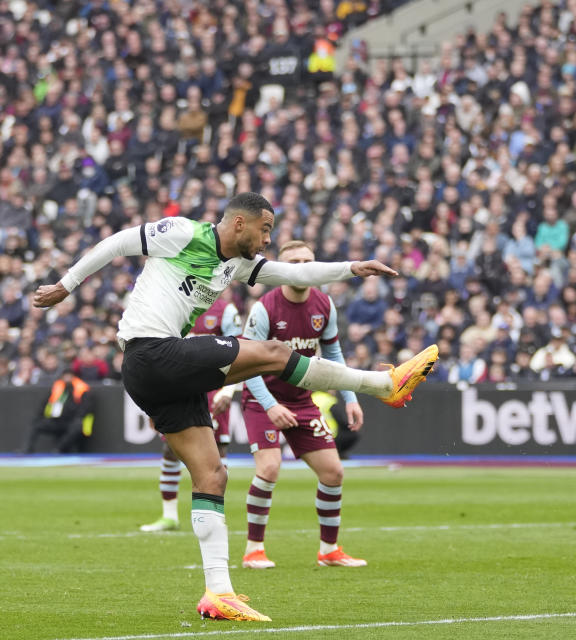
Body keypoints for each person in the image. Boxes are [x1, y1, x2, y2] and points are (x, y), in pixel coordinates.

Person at [33, 192, 439, 623]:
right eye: (265, 230)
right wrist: (66, 285)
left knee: (212, 474)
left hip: (158, 371)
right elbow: (117, 242)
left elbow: (291, 270)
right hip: (150, 352)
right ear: (240, 224)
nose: (268, 240)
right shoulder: (184, 232)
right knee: (273, 353)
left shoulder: (239, 265)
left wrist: (351, 269)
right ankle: (383, 384)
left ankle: (217, 592)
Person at [240, 240, 367, 570]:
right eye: (293, 261)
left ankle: (329, 550)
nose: (302, 266)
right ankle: (254, 548)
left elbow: (334, 355)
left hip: (301, 399)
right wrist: (269, 406)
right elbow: (247, 364)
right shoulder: (265, 308)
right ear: (280, 269)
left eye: (307, 261)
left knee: (333, 472)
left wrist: (350, 397)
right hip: (261, 398)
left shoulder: (324, 305)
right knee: (268, 468)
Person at [140, 296, 243, 533]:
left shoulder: (224, 310)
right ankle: (169, 516)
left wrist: (229, 390)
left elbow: (239, 350)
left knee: (218, 451)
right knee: (170, 449)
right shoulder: (173, 305)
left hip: (212, 390)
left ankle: (218, 514)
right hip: (178, 389)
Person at [22, 370, 94, 454]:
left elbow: (85, 408)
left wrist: (74, 415)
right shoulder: (57, 388)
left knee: (76, 426)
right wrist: (41, 417)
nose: (67, 379)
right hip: (57, 420)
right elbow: (45, 404)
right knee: (35, 424)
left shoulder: (82, 389)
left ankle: (58, 449)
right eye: (65, 376)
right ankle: (27, 449)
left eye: (70, 376)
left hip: (71, 421)